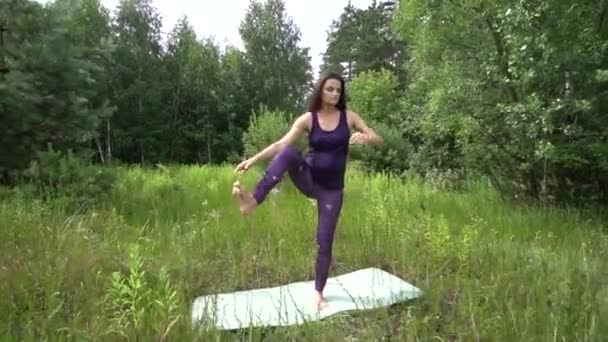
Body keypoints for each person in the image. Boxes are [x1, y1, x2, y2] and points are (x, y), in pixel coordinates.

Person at [232, 72, 383, 311]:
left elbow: (377, 138)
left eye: (338, 90)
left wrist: (367, 137)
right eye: (330, 89)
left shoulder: (349, 117)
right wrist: (253, 159)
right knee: (290, 152)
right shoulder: (308, 119)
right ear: (321, 90)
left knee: (324, 241)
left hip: (332, 191)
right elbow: (281, 145)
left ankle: (318, 292)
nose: (335, 93)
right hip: (309, 179)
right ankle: (252, 201)